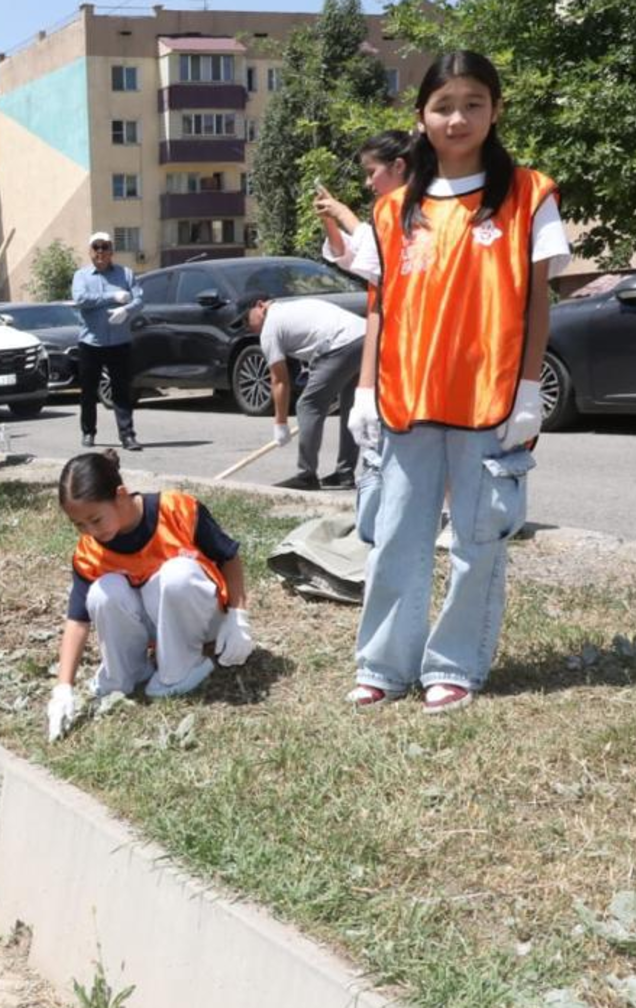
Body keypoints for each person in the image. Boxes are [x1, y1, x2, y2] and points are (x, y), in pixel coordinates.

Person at [343, 52, 567, 714]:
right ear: (421, 117)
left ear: (495, 110)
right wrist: (363, 390)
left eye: (473, 103)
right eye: (443, 105)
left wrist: (529, 392)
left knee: (477, 541)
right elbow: (380, 305)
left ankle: (454, 664)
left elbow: (538, 303)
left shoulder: (528, 195)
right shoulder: (391, 212)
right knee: (395, 538)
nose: (458, 117)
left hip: (490, 402)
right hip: (406, 400)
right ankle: (383, 663)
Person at [45, 451, 253, 740]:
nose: (90, 531)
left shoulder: (177, 509)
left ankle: (182, 667)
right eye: (79, 525)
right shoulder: (90, 552)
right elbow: (78, 620)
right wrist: (63, 688)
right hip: (156, 625)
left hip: (204, 617)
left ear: (120, 495)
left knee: (175, 575)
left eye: (95, 519)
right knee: (103, 593)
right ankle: (126, 672)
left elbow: (229, 557)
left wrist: (238, 616)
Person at [245, 297, 367, 490]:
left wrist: (281, 423)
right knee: (349, 406)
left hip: (340, 343)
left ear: (260, 305)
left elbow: (279, 381)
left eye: (247, 318)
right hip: (365, 335)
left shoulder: (270, 327)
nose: (248, 326)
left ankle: (306, 475)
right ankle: (344, 473)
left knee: (308, 406)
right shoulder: (291, 308)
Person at [69, 232, 144, 452]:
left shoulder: (126, 274)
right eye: (96, 247)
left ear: (112, 251)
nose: (100, 252)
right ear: (90, 252)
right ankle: (88, 432)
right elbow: (81, 299)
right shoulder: (82, 276)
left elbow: (139, 300)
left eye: (105, 247)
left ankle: (127, 436)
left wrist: (126, 309)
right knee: (88, 391)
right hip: (91, 342)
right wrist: (112, 298)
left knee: (121, 390)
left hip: (119, 341)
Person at [314, 131, 412, 271]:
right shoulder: (386, 210)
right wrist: (329, 219)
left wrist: (342, 213)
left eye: (372, 172)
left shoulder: (421, 210)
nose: (368, 182)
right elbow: (343, 254)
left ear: (398, 166)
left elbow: (376, 252)